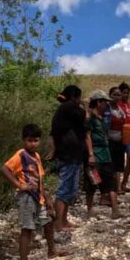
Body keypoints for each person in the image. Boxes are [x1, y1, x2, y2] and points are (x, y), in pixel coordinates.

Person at [2, 124, 69, 260]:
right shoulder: (21, 155)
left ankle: (52, 250)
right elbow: (5, 169)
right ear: (24, 140)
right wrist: (19, 185)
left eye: (36, 140)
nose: (33, 143)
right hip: (26, 198)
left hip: (38, 197)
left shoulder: (37, 156)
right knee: (27, 229)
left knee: (48, 221)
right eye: (30, 140)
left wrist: (47, 198)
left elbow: (40, 180)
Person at [49, 85, 90, 231]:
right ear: (74, 97)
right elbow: (86, 117)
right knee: (64, 190)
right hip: (68, 155)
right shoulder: (69, 106)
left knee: (70, 190)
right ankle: (58, 223)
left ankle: (63, 221)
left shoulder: (66, 109)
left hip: (73, 155)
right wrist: (84, 105)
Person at [85, 90, 120, 219]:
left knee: (110, 180)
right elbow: (87, 135)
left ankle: (115, 209)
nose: (106, 104)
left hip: (106, 154)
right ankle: (90, 209)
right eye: (104, 101)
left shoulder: (101, 117)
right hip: (96, 154)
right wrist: (90, 154)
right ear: (99, 102)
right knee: (92, 182)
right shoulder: (90, 118)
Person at [117, 82, 130, 192]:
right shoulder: (116, 105)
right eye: (124, 93)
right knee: (119, 161)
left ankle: (124, 182)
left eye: (127, 93)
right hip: (119, 136)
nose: (126, 95)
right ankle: (117, 186)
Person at [106, 86, 127, 193]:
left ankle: (117, 187)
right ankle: (110, 189)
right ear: (110, 95)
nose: (117, 97)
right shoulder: (106, 109)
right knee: (111, 165)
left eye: (119, 95)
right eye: (114, 94)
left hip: (120, 141)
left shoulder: (120, 109)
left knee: (119, 165)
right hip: (110, 141)